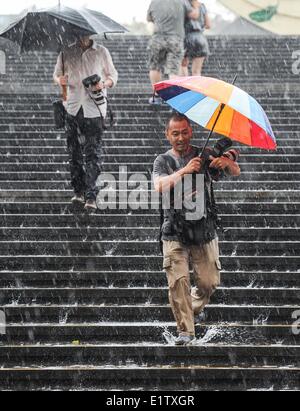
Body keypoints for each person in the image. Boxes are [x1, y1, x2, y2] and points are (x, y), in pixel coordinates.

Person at [153, 113, 241, 345]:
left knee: (209, 282)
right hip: (173, 229)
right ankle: (186, 332)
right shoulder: (162, 161)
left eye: (184, 132)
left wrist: (227, 162)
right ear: (168, 135)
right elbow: (159, 186)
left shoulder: (205, 156)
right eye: (175, 133)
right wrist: (183, 171)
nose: (180, 137)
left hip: (204, 228)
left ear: (191, 132)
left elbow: (235, 171)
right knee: (178, 281)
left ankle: (190, 307)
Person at [53, 36, 118, 212]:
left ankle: (91, 195)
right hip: (72, 107)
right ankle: (78, 191)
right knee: (73, 152)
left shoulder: (102, 51)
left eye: (85, 33)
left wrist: (103, 84)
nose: (82, 37)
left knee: (92, 152)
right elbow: (56, 74)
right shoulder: (66, 52)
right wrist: (60, 81)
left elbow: (113, 75)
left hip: (95, 108)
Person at [147, 0, 199, 105]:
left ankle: (156, 96)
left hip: (157, 38)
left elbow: (149, 18)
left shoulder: (154, 2)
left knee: (155, 67)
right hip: (175, 38)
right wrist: (196, 6)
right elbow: (194, 15)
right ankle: (173, 96)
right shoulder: (181, 1)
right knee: (173, 69)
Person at [181, 0, 211, 77]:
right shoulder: (202, 5)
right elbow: (208, 25)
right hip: (200, 38)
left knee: (183, 66)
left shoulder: (183, 4)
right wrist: (199, 26)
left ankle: (184, 87)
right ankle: (196, 88)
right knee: (196, 71)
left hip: (186, 38)